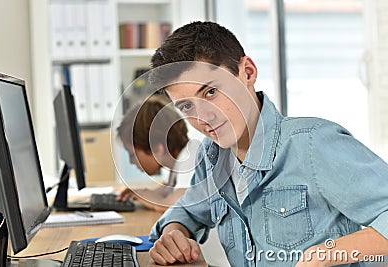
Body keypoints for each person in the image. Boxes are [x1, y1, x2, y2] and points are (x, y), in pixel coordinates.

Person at [145, 21, 388, 267]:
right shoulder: (212, 158)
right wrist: (173, 233)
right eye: (187, 106)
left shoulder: (313, 144)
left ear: (247, 72)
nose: (204, 117)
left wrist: (322, 256)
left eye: (211, 93)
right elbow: (187, 212)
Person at [116, 94, 230, 266]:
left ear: (158, 148)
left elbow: (177, 202)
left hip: (214, 260)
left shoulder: (192, 156)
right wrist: (141, 193)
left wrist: (144, 197)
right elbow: (167, 190)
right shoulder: (176, 163)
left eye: (132, 154)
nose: (132, 161)